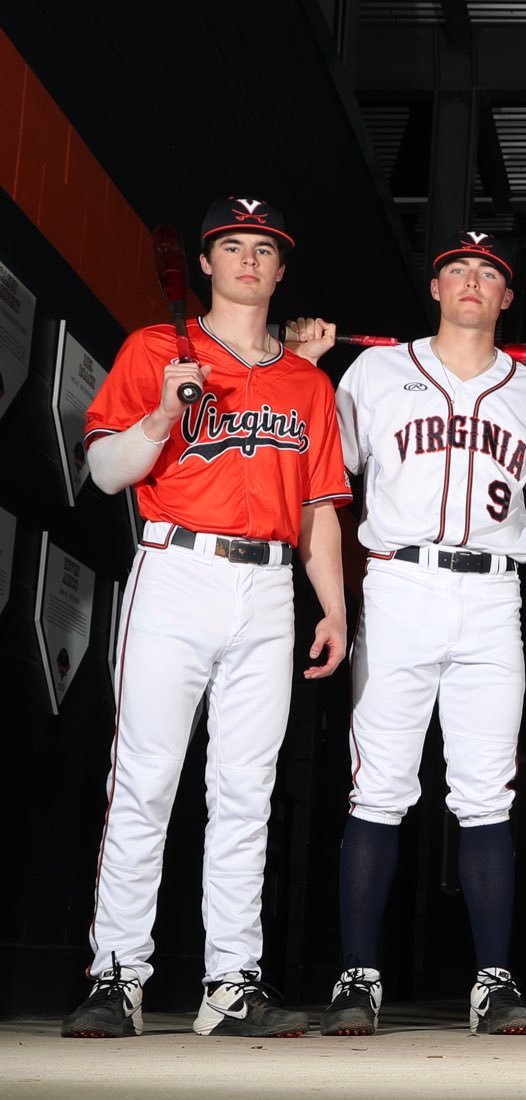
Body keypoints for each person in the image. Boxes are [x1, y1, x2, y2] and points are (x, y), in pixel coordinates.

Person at [285, 230, 526, 1037]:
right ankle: (358, 977)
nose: (471, 282)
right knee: (380, 784)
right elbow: (325, 473)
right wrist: (307, 371)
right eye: (458, 269)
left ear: (505, 297)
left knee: (487, 790)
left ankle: (493, 981)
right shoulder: (376, 371)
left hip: (494, 596)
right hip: (399, 582)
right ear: (434, 288)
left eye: (487, 274)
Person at [62, 197, 349, 1038]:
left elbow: (322, 509)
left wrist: (332, 607)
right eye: (233, 246)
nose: (250, 260)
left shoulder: (305, 382)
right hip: (176, 566)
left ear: (281, 268)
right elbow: (108, 473)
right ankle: (117, 975)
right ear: (208, 264)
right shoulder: (155, 350)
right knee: (146, 779)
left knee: (245, 792)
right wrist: (160, 415)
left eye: (264, 249)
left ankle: (230, 984)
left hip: (267, 588)